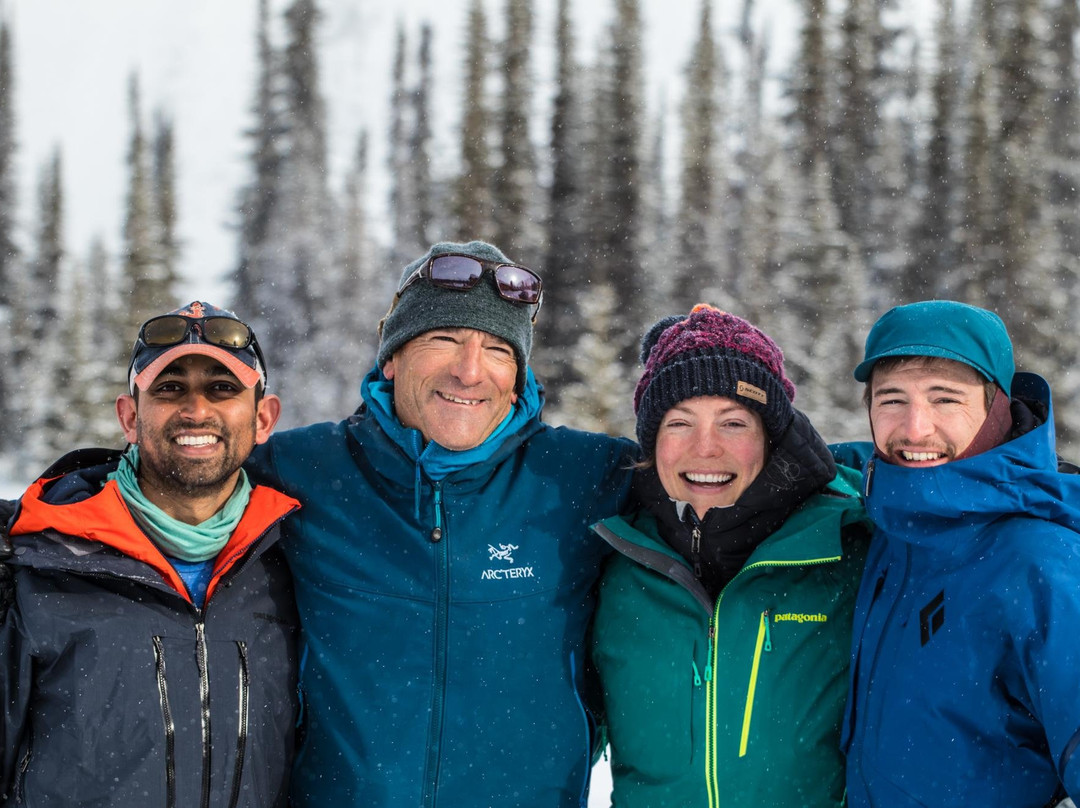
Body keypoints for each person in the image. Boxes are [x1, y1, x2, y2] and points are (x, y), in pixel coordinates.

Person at [245, 241, 637, 807]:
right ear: (392, 358)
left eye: (498, 349)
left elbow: (730, 482)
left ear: (519, 374)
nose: (470, 371)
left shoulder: (584, 477)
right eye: (444, 339)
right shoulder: (303, 471)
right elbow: (166, 489)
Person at [0, 302, 301, 807]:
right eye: (169, 388)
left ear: (263, 417)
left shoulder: (294, 558)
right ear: (130, 416)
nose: (197, 410)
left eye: (223, 389)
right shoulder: (35, 560)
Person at [588, 304, 871, 805]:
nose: (705, 448)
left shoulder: (851, 541)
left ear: (771, 436)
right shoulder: (613, 560)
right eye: (679, 423)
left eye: (733, 423)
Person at [842, 300, 1080, 806]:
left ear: (997, 408)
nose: (914, 429)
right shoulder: (891, 527)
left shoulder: (1042, 560)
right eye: (891, 400)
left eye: (945, 399)